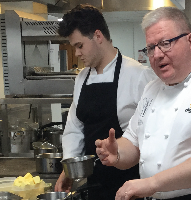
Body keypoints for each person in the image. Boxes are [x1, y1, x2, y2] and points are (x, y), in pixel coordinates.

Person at [95, 7, 191, 200]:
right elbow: (133, 143)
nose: (157, 54)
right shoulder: (151, 89)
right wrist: (117, 153)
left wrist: (152, 183)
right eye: (151, 48)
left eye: (165, 43)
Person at [54, 4, 156, 200]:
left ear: (98, 36)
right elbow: (75, 127)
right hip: (95, 183)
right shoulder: (82, 78)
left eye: (79, 45)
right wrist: (69, 168)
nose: (76, 53)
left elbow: (153, 132)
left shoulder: (138, 74)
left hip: (132, 183)